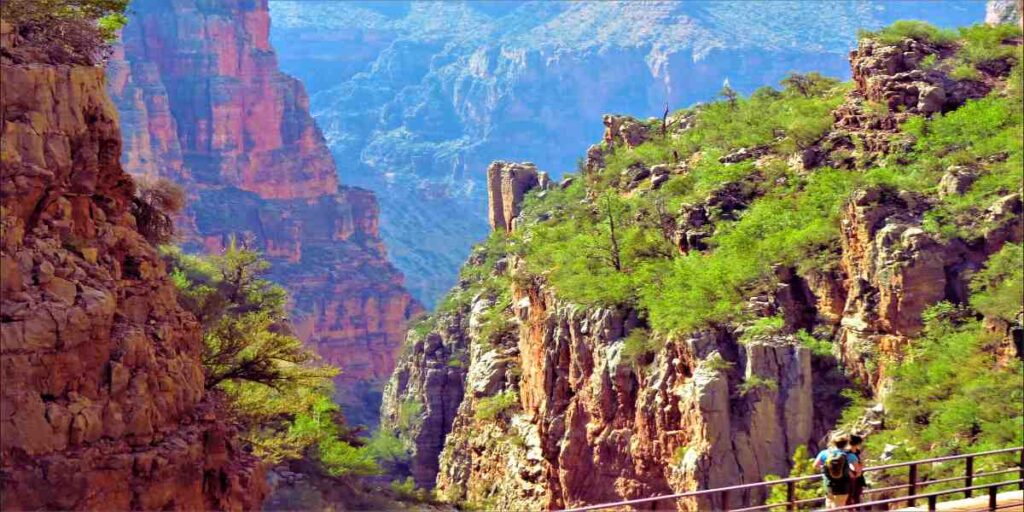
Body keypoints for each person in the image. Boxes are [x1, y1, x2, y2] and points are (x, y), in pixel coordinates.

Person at [814, 433, 862, 509]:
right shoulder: (850, 455)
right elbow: (858, 471)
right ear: (846, 443)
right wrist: (852, 474)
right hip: (843, 486)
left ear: (833, 442)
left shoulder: (824, 453)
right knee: (839, 507)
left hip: (828, 484)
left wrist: (826, 469)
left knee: (829, 505)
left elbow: (815, 466)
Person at [846, 434, 868, 507]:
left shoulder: (856, 451)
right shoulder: (849, 453)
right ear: (858, 443)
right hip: (852, 477)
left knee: (856, 495)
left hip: (857, 476)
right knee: (852, 496)